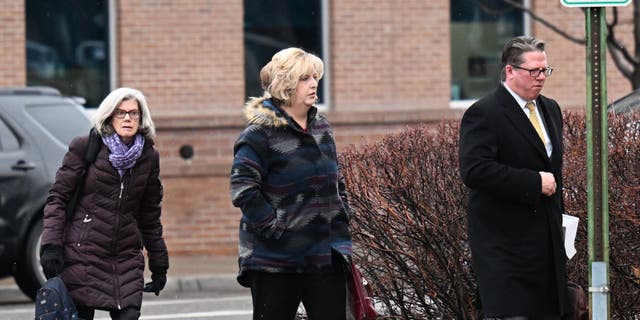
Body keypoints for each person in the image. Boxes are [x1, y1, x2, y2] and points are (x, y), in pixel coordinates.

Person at [230, 47, 353, 320]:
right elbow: (243, 188)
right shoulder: (259, 134)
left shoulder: (322, 127)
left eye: (315, 77)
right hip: (275, 262)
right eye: (304, 78)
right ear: (285, 85)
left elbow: (337, 181)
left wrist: (343, 217)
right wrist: (277, 230)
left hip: (326, 257)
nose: (314, 84)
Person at [458, 36, 568, 319]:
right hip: (505, 247)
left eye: (545, 70)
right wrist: (533, 183)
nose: (541, 77)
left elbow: (553, 171)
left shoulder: (550, 109)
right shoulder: (485, 112)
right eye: (534, 71)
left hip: (547, 244)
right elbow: (475, 170)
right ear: (510, 71)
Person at [40, 87, 169, 320]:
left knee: (129, 315)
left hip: (125, 259)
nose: (128, 118)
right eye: (120, 113)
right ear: (109, 116)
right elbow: (57, 198)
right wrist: (51, 246)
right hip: (83, 255)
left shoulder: (148, 157)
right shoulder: (85, 147)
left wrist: (159, 263)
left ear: (141, 118)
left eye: (133, 113)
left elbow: (150, 215)